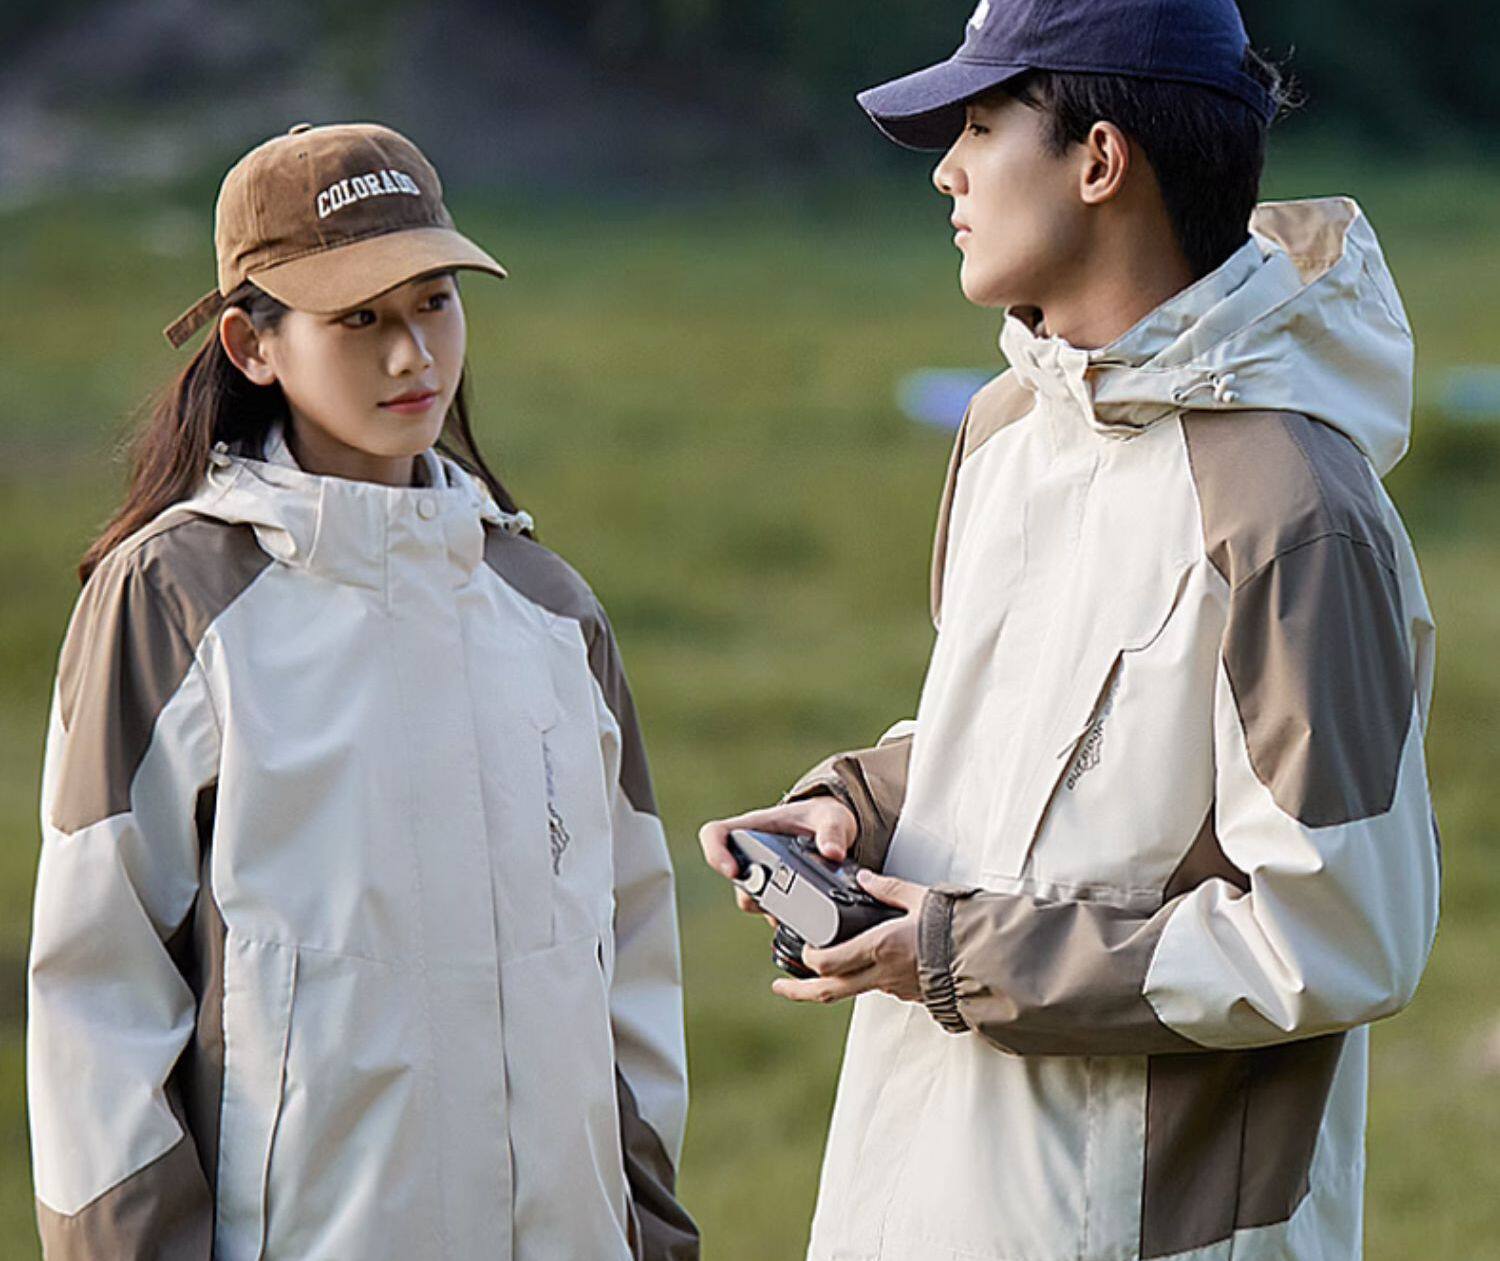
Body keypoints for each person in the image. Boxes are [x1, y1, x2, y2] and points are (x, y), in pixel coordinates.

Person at [699, 1, 1440, 1257]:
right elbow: (1027, 750)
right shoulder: (1005, 430)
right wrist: (857, 806)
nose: (948, 172)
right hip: (921, 1196)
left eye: (982, 127)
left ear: (1100, 161)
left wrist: (967, 955)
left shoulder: (1290, 509)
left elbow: (1342, 932)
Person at [28, 121, 698, 1261]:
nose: (413, 356)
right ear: (252, 344)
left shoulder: (550, 610)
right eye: (360, 319)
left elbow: (631, 962)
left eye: (435, 302)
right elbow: (99, 998)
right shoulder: (175, 600)